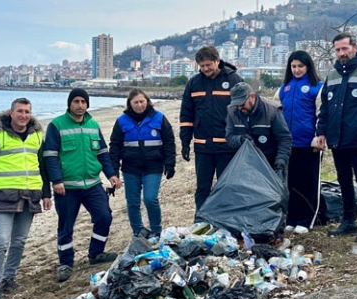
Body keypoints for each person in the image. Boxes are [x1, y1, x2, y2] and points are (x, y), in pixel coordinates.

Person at [0, 97, 52, 299]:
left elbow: (43, 166)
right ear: (11, 113)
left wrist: (47, 194)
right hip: (3, 197)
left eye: (27, 112)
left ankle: (9, 278)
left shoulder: (36, 134)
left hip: (30, 196)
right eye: (20, 111)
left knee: (19, 241)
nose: (24, 116)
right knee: (1, 242)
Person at [43, 88, 122, 282]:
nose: (80, 105)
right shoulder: (56, 125)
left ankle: (96, 254)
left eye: (83, 102)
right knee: (66, 225)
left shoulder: (93, 124)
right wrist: (57, 180)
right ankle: (66, 263)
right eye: (76, 101)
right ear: (69, 104)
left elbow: (102, 152)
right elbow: (50, 156)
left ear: (87, 104)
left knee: (104, 217)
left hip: (92, 184)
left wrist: (111, 175)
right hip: (67, 187)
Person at [315, 32, 357, 241]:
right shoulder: (332, 76)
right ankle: (349, 220)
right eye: (338, 50)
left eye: (345, 48)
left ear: (355, 48)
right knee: (343, 180)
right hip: (337, 138)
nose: (341, 53)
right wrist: (321, 131)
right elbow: (324, 107)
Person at [180, 46, 243, 212]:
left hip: (227, 146)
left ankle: (225, 222)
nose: (205, 69)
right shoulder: (194, 83)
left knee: (226, 188)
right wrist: (185, 142)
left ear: (217, 61)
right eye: (201, 66)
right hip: (203, 146)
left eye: (208, 64)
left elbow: (244, 112)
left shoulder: (234, 80)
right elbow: (186, 115)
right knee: (202, 189)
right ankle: (201, 220)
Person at [109, 88, 176, 236]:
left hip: (153, 166)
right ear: (130, 104)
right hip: (130, 168)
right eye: (136, 102)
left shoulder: (159, 118)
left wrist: (170, 163)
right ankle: (138, 232)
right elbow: (114, 147)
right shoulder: (121, 121)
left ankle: (156, 232)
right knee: (133, 203)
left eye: (142, 101)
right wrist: (113, 171)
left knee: (150, 199)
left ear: (147, 101)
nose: (139, 105)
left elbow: (169, 142)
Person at [278, 50, 323, 234]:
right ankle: (292, 217)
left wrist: (318, 137)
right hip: (290, 144)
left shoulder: (316, 87)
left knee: (308, 182)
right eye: (294, 66)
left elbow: (321, 114)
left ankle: (307, 219)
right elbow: (278, 115)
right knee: (292, 183)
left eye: (300, 66)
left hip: (309, 144)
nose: (297, 70)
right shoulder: (284, 88)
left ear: (308, 67)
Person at [226, 82, 292, 170]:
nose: (239, 108)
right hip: (244, 164)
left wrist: (281, 161)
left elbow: (284, 139)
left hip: (271, 162)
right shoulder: (232, 112)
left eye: (242, 104)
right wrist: (240, 140)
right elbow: (229, 137)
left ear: (252, 97)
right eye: (236, 105)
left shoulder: (272, 111)